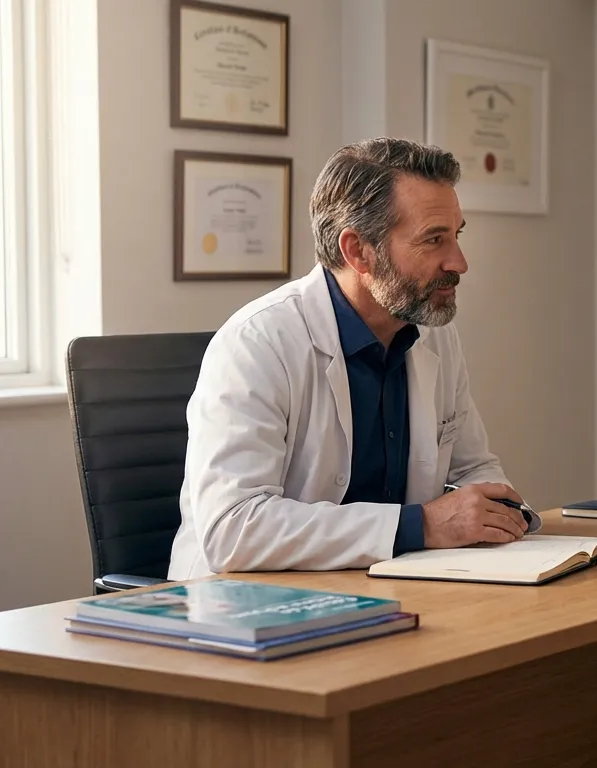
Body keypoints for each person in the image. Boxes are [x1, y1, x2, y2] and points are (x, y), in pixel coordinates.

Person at [168, 138, 533, 580]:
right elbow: (233, 529)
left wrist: (506, 514)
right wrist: (422, 526)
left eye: (456, 236)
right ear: (358, 251)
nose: (458, 261)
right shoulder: (258, 343)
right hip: (246, 607)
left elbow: (472, 467)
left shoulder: (433, 336)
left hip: (390, 591)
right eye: (433, 240)